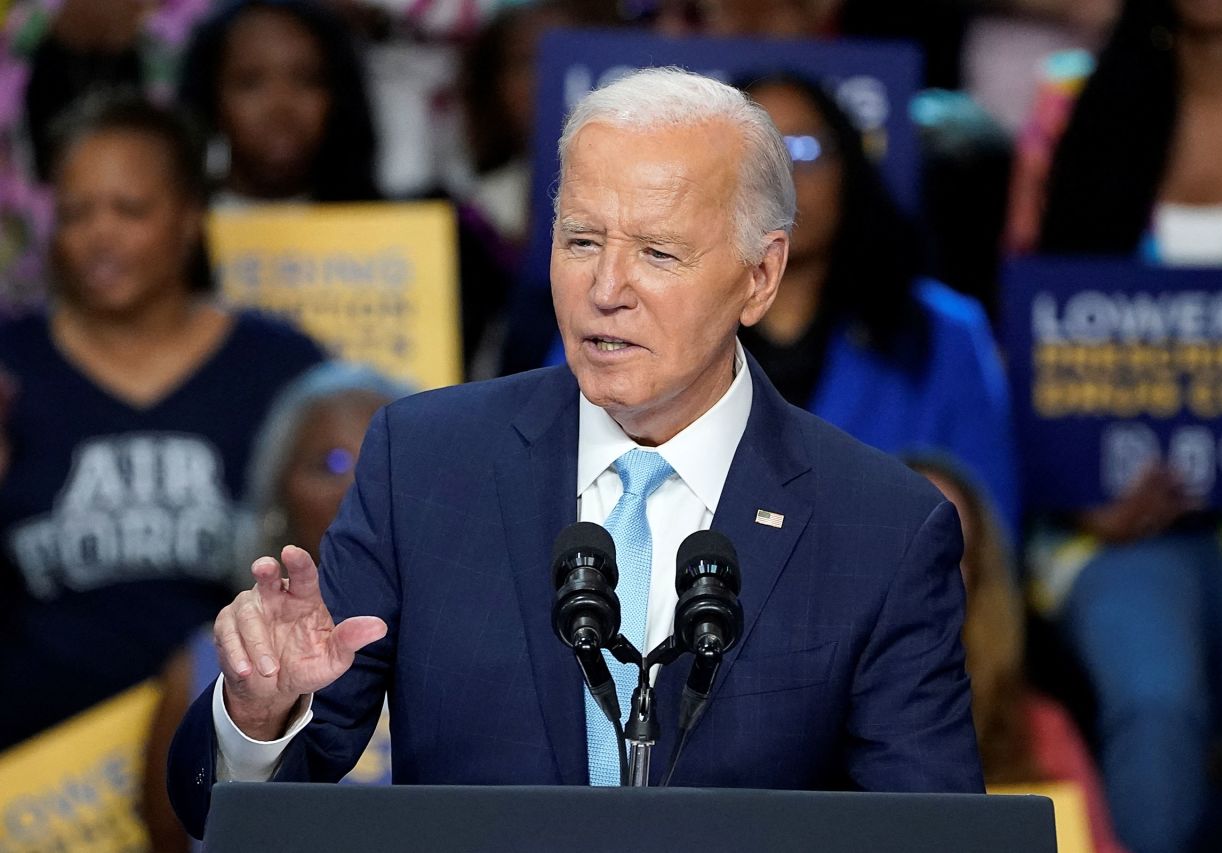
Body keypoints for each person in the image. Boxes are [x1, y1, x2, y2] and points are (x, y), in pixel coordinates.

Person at [167, 68, 982, 837]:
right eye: (581, 240)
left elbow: (933, 840)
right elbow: (247, 813)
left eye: (658, 253)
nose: (606, 287)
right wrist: (260, 715)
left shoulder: (882, 528)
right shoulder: (423, 462)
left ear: (760, 276)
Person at [1003, 2, 1222, 851]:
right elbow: (1030, 325)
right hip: (1115, 522)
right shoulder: (1072, 104)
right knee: (1155, 696)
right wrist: (1080, 492)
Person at [0, 93, 325, 750]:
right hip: (32, 781)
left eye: (130, 209)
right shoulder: (11, 365)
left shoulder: (281, 365)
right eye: (75, 213)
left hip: (228, 753)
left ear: (188, 218)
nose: (100, 235)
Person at [142, 362, 408, 852]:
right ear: (277, 493)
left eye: (378, 463)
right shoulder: (205, 666)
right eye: (329, 464)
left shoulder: (475, 650)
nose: (355, 489)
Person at [738, 74, 1019, 534]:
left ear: (848, 166)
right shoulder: (667, 328)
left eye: (804, 149)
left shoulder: (946, 335)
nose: (784, 177)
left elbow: (990, 533)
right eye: (758, 158)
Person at [907, 455, 1128, 853]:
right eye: (895, 548)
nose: (917, 574)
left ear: (976, 580)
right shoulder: (791, 730)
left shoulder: (1041, 732)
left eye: (947, 554)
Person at [178, 0, 380, 205]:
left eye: (306, 79)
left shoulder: (385, 224)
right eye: (250, 82)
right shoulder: (174, 223)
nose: (280, 107)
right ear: (211, 94)